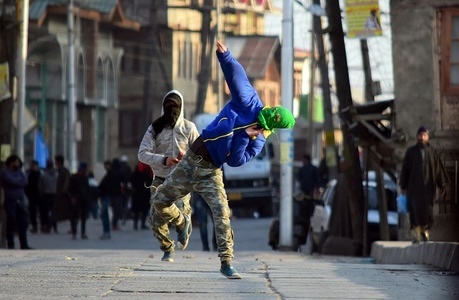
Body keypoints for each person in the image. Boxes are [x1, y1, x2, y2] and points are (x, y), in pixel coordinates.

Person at [150, 40, 295, 279]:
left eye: (273, 120)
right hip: (192, 160)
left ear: (274, 127)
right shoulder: (249, 101)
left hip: (211, 171)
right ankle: (182, 220)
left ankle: (226, 262)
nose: (268, 117)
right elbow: (238, 79)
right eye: (272, 112)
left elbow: (236, 161)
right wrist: (226, 56)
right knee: (160, 202)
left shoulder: (258, 141)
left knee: (222, 213)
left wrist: (246, 137)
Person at [138, 89, 199, 262]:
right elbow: (142, 154)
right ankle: (167, 247)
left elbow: (199, 155)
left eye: (175, 108)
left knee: (178, 208)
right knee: (156, 217)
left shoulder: (189, 128)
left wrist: (186, 161)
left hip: (181, 180)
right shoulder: (155, 128)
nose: (172, 112)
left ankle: (182, 222)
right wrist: (164, 160)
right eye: (168, 107)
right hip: (160, 178)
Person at [399, 126, 450, 243]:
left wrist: (442, 185)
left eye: (424, 135)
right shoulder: (410, 152)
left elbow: (438, 170)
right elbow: (405, 170)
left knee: (428, 212)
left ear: (428, 137)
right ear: (417, 136)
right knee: (415, 211)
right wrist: (403, 186)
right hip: (414, 189)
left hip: (428, 189)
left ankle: (425, 232)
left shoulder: (432, 152)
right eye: (420, 135)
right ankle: (416, 235)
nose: (422, 138)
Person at [0, 155, 32, 249]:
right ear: (11, 162)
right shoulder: (4, 171)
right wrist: (19, 182)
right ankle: (10, 244)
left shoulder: (18, 171)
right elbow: (12, 181)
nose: (18, 164)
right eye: (16, 162)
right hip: (10, 200)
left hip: (20, 200)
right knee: (11, 221)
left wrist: (18, 182)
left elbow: (25, 181)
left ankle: (24, 244)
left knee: (23, 222)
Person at [98, 160, 123, 240]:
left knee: (105, 214)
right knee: (106, 214)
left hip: (108, 196)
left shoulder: (111, 174)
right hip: (109, 196)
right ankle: (108, 230)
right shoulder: (110, 174)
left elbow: (107, 186)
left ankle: (107, 231)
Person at [69, 162, 91, 239]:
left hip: (84, 199)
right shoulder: (74, 177)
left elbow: (87, 188)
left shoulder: (85, 178)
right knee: (75, 216)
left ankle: (83, 232)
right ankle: (74, 231)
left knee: (83, 217)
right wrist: (73, 197)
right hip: (77, 198)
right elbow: (71, 188)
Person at [52, 155, 72, 233]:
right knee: (55, 211)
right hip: (57, 193)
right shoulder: (56, 171)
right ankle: (54, 228)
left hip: (63, 195)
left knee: (68, 212)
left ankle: (72, 227)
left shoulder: (65, 171)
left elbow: (67, 182)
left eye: (56, 161)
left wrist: (64, 190)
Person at [130, 162, 153, 230]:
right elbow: (151, 180)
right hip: (145, 192)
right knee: (144, 210)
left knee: (136, 210)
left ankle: (135, 224)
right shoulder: (149, 169)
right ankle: (142, 224)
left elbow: (133, 179)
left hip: (137, 192)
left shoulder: (137, 168)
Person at [38, 159, 58, 233]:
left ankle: (46, 225)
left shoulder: (43, 175)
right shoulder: (57, 175)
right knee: (54, 211)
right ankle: (55, 226)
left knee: (45, 212)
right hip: (54, 194)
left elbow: (40, 186)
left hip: (46, 194)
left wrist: (41, 193)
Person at [25, 160, 41, 233]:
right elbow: (26, 184)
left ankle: (43, 225)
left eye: (35, 166)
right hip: (31, 195)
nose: (34, 167)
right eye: (33, 166)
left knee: (41, 211)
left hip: (39, 195)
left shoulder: (40, 174)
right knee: (32, 212)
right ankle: (35, 226)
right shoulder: (29, 174)